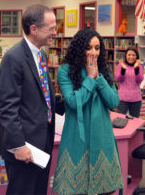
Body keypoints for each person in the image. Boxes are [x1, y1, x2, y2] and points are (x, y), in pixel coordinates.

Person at [0, 4, 58, 194]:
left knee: (39, 190)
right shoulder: (14, 57)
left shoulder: (41, 55)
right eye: (51, 28)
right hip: (23, 145)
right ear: (34, 29)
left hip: (42, 142)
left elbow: (41, 96)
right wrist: (19, 145)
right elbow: (7, 107)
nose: (55, 32)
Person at [52, 28, 124, 195]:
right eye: (89, 47)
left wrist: (98, 78)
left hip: (102, 133)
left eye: (97, 48)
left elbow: (113, 101)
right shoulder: (65, 70)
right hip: (77, 134)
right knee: (76, 189)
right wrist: (90, 79)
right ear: (79, 48)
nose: (94, 53)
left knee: (106, 189)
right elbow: (73, 102)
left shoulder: (104, 70)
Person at [115, 47, 144, 117]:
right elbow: (118, 79)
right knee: (120, 120)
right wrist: (123, 70)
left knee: (134, 122)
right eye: (129, 55)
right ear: (126, 56)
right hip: (122, 99)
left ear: (136, 56)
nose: (131, 57)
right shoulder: (121, 65)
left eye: (133, 55)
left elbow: (139, 80)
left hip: (136, 99)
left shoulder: (139, 66)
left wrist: (136, 68)